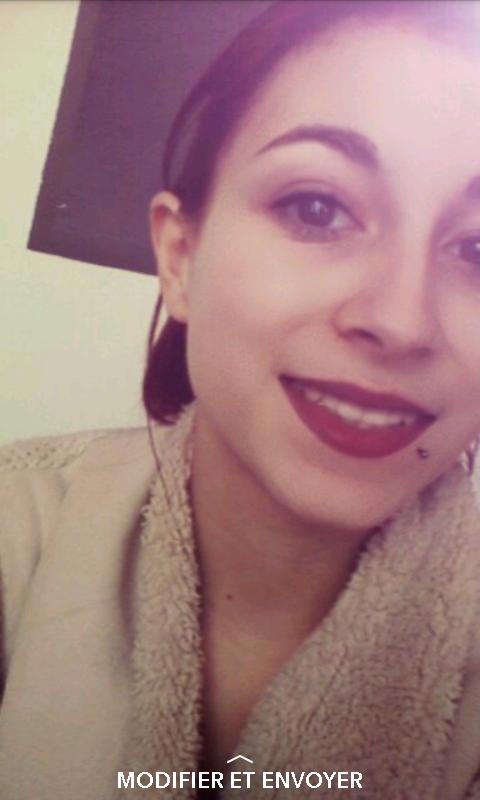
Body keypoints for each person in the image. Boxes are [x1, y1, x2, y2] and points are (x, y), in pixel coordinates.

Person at [2, 0, 480, 797]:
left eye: (479, 250)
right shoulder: (17, 531)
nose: (401, 321)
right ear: (181, 257)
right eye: (317, 208)